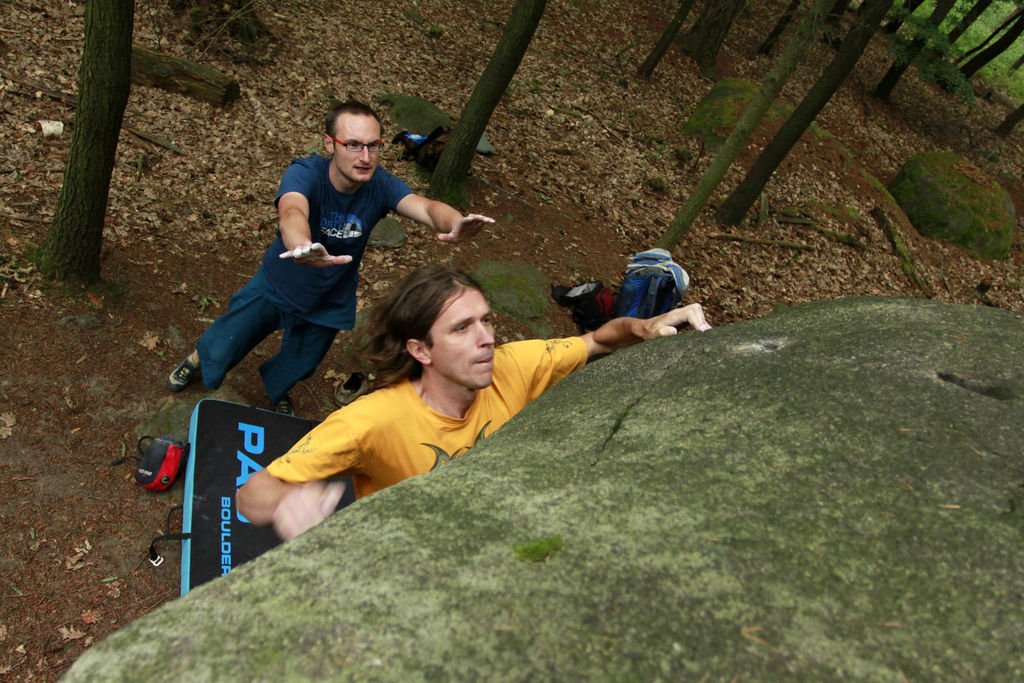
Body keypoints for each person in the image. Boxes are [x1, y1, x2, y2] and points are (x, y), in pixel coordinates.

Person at [236, 265, 712, 541]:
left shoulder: (513, 364)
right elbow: (251, 494)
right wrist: (286, 504)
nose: (486, 338)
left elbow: (600, 340)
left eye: (485, 321)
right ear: (420, 350)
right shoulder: (373, 420)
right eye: (462, 328)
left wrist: (646, 326)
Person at [166, 100, 494, 415]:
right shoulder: (305, 172)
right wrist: (301, 246)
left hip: (329, 298)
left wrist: (455, 221)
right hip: (278, 283)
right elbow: (292, 210)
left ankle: (275, 391)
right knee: (226, 339)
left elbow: (423, 206)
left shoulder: (380, 184)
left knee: (301, 363)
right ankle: (198, 359)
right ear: (329, 143)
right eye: (352, 145)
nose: (365, 156)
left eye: (373, 145)